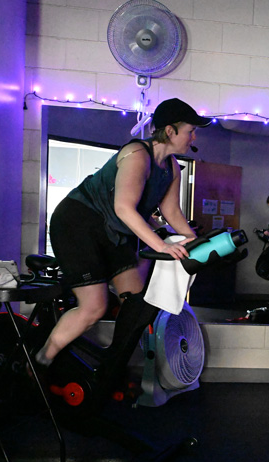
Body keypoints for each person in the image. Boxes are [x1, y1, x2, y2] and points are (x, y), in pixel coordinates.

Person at [34, 98, 210, 365]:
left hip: (113, 231)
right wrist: (162, 246)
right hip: (78, 222)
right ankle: (38, 362)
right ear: (171, 131)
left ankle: (111, 365)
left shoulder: (172, 167)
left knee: (136, 301)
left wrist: (196, 242)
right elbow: (124, 209)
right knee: (94, 307)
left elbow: (172, 212)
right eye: (190, 130)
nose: (193, 136)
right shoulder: (137, 155)